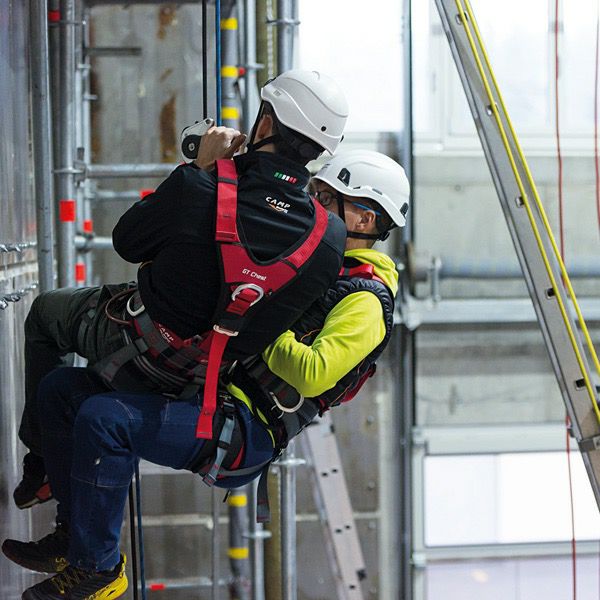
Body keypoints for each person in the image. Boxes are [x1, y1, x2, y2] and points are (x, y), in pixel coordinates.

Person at [3, 150, 410, 600]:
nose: (315, 206)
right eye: (316, 193)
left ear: (366, 220)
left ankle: (99, 570)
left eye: (328, 198)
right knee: (62, 390)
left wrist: (262, 318)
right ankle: (71, 537)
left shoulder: (366, 302)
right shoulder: (321, 266)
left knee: (106, 419)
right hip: (212, 391)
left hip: (246, 429)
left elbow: (313, 374)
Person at [13, 69, 349, 510]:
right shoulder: (329, 241)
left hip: (134, 338)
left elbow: (128, 242)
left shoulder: (201, 187)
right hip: (203, 381)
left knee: (45, 314)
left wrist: (197, 167)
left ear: (265, 123)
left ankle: (42, 461)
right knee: (73, 389)